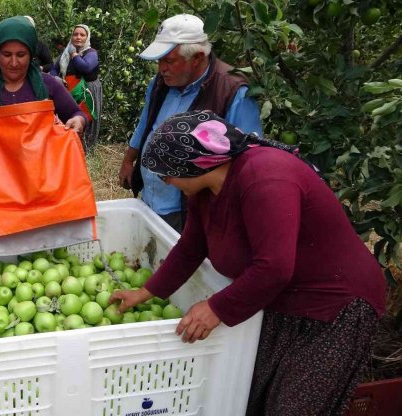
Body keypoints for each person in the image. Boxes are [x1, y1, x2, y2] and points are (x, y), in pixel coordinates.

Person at [110, 110, 386, 416]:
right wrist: (145, 293)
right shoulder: (204, 190)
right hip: (282, 299)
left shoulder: (265, 178)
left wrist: (216, 308)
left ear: (191, 165)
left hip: (335, 306)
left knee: (295, 407)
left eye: (166, 173)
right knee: (254, 397)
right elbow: (191, 248)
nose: (165, 181)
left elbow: (275, 267)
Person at [118, 14, 262, 233]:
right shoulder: (161, 83)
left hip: (189, 209)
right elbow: (146, 123)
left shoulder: (232, 92)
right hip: (150, 199)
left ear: (196, 57)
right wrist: (129, 160)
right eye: (159, 61)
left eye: (168, 61)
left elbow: (249, 160)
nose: (161, 69)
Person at [0, 16, 87, 156]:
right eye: (6, 54)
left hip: (42, 171)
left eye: (20, 55)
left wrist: (78, 121)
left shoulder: (48, 84)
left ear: (30, 55)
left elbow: (77, 114)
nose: (13, 62)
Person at [50, 24, 102, 152]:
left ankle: (86, 149)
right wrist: (57, 79)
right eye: (75, 34)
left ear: (87, 37)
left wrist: (74, 54)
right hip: (69, 91)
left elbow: (85, 67)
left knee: (86, 118)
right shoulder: (65, 54)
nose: (78, 37)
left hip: (87, 92)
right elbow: (53, 69)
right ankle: (69, 147)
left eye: (82, 35)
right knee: (70, 118)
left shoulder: (91, 53)